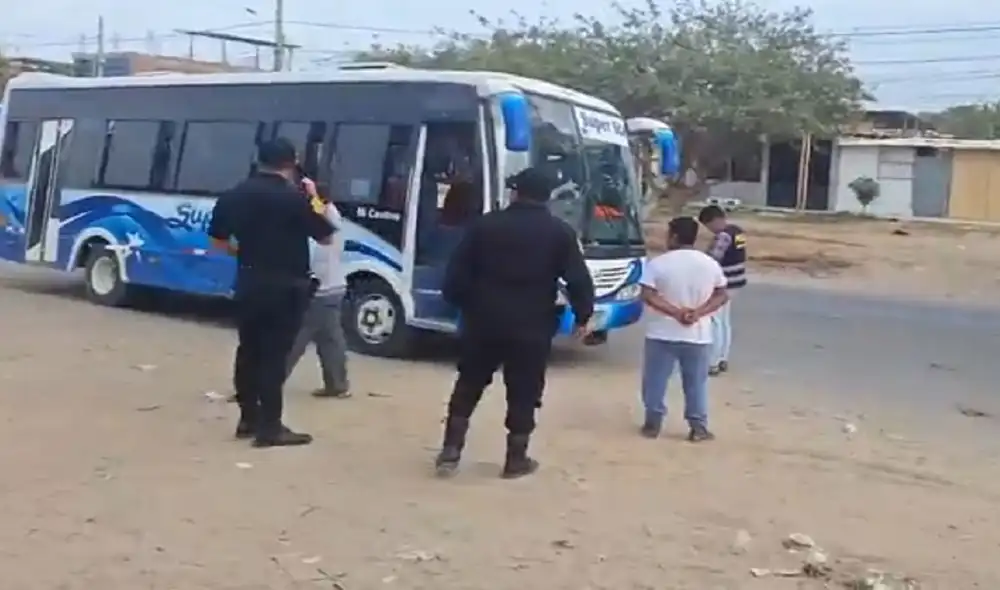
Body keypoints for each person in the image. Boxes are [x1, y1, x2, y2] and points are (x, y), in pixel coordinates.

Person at [435, 166, 595, 479]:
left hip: (483, 321)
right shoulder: (560, 232)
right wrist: (583, 315)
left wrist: (462, 303)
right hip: (532, 326)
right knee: (524, 391)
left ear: (515, 193)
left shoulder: (484, 226)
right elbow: (578, 279)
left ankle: (451, 451)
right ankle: (515, 459)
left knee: (469, 384)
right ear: (547, 197)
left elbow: (456, 274)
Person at [208, 138, 334, 448]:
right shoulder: (294, 199)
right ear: (291, 163)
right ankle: (271, 427)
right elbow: (326, 236)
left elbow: (218, 242)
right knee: (274, 357)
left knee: (248, 351)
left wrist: (246, 254)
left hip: (249, 283)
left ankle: (247, 418)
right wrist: (315, 199)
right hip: (287, 288)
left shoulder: (234, 195)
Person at [638, 216, 729, 442]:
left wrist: (675, 312)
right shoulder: (709, 264)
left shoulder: (659, 263)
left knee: (655, 382)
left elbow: (648, 295)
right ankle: (698, 427)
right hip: (698, 335)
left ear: (675, 237)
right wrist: (698, 312)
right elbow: (721, 294)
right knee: (696, 384)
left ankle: (653, 423)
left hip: (661, 332)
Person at [284, 187, 351, 399]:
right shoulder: (332, 214)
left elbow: (316, 251)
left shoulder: (322, 218)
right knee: (330, 339)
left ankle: (268, 382)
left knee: (293, 339)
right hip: (333, 287)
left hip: (318, 290)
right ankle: (337, 384)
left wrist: (311, 195)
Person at [697, 205, 747, 375]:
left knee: (716, 322)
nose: (709, 230)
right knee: (725, 323)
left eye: (708, 225)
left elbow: (712, 260)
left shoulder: (723, 236)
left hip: (725, 283)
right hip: (736, 281)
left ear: (716, 220)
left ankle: (712, 363)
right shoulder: (737, 232)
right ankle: (723, 358)